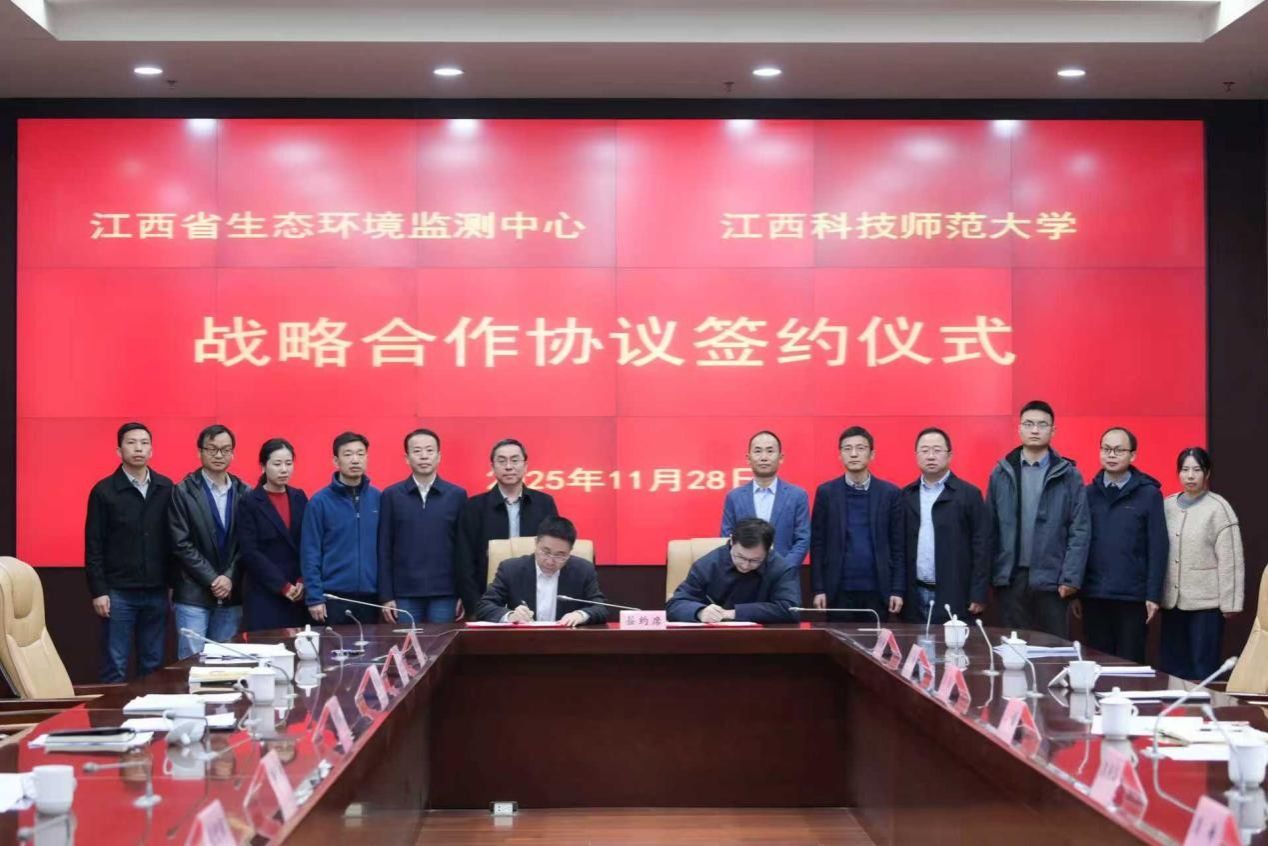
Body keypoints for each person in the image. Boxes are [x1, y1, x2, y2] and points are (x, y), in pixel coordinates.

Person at [986, 400, 1089, 639]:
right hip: (1011, 580)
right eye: (1029, 424)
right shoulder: (1001, 473)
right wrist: (992, 575)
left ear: (1053, 431)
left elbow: (1080, 529)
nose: (1035, 430)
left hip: (1053, 581)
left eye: (1042, 425)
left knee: (1053, 651)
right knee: (1013, 650)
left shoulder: (1069, 475)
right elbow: (989, 529)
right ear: (1019, 429)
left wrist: (1070, 579)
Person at [84, 422, 175, 681]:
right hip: (118, 593)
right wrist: (99, 590)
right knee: (115, 664)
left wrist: (173, 584)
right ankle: (114, 709)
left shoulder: (166, 487)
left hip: (157, 591)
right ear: (119, 450)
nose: (138, 448)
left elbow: (174, 540)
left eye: (144, 443)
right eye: (131, 443)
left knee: (153, 664)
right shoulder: (104, 491)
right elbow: (94, 545)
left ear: (151, 450)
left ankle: (151, 708)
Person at [1075, 427, 1167, 664]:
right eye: (1106, 449)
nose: (1111, 455)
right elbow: (1079, 543)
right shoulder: (1087, 494)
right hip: (1094, 594)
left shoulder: (1149, 495)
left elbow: (1158, 547)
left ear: (1132, 455)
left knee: (1130, 664)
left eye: (1118, 450)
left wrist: (1153, 595)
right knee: (1096, 663)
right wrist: (1076, 590)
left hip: (1132, 597)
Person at [1160, 447, 1245, 680]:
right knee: (1172, 667)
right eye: (1185, 470)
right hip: (1172, 602)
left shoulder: (1218, 508)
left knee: (1202, 668)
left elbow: (1231, 558)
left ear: (1207, 473)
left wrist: (1231, 602)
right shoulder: (1167, 506)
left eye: (1196, 470)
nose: (1190, 476)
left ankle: (1205, 704)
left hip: (1207, 603)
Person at [168, 424, 251, 659]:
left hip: (231, 593)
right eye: (212, 449)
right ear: (200, 452)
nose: (218, 455)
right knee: (192, 662)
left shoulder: (245, 491)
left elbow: (248, 543)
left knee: (226, 661)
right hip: (193, 593)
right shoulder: (183, 491)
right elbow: (180, 543)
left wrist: (229, 577)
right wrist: (213, 579)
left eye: (225, 450)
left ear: (233, 453)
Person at [809, 426, 904, 621]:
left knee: (875, 641)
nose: (853, 454)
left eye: (860, 448)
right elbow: (818, 544)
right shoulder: (826, 493)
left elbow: (898, 545)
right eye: (847, 448)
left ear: (872, 454)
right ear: (840, 455)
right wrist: (818, 588)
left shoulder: (890, 493)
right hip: (837, 590)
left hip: (878, 590)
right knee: (837, 640)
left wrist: (897, 589)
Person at [456, 438, 558, 618]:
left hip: (536, 594)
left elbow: (555, 550)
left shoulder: (544, 503)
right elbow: (464, 560)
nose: (509, 467)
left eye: (515, 460)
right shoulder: (474, 507)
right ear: (493, 467)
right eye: (502, 461)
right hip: (488, 596)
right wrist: (474, 605)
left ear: (525, 466)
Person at [899, 427, 989, 625]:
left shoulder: (969, 494)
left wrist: (978, 592)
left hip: (955, 593)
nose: (931, 456)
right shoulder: (906, 495)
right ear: (916, 456)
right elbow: (898, 548)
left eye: (937, 450)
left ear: (950, 455)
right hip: (913, 595)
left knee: (950, 645)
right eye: (924, 450)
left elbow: (982, 546)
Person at [378, 428, 468, 625]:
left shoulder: (457, 495)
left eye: (429, 450)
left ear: (439, 456)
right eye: (417, 451)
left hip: (445, 592)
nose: (424, 456)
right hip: (404, 592)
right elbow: (384, 548)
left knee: (442, 642)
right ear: (407, 458)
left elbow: (463, 549)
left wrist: (464, 592)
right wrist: (386, 595)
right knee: (406, 643)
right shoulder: (392, 495)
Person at [301, 432, 381, 625]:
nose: (355, 459)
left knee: (370, 645)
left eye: (360, 454)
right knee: (334, 645)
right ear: (336, 461)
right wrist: (314, 597)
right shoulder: (319, 502)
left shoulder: (378, 498)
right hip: (332, 598)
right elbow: (310, 552)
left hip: (371, 599)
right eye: (348, 454)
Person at [475, 516, 607, 626]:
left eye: (560, 555)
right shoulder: (511, 569)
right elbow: (484, 606)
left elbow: (601, 607)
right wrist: (511, 616)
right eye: (545, 552)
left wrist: (581, 615)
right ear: (536, 543)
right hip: (523, 642)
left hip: (567, 641)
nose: (550, 561)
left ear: (570, 551)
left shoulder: (583, 570)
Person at [667, 517, 799, 624]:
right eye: (740, 557)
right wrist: (699, 612)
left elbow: (791, 610)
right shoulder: (708, 564)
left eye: (755, 560)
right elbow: (675, 605)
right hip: (711, 639)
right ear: (731, 541)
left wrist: (734, 613)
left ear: (768, 549)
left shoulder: (781, 568)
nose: (745, 565)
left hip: (765, 640)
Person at [237, 438, 309, 632]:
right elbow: (250, 552)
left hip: (298, 592)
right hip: (265, 592)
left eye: (288, 463)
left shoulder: (299, 497)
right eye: (277, 464)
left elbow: (308, 543)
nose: (284, 469)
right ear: (263, 466)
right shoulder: (249, 502)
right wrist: (282, 586)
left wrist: (302, 579)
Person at [720, 430, 810, 566]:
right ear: (748, 458)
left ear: (781, 457)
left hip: (784, 574)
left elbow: (803, 539)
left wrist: (783, 569)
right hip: (744, 573)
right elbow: (727, 539)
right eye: (757, 451)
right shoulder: (734, 497)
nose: (764, 457)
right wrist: (744, 565)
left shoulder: (797, 495)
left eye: (770, 451)